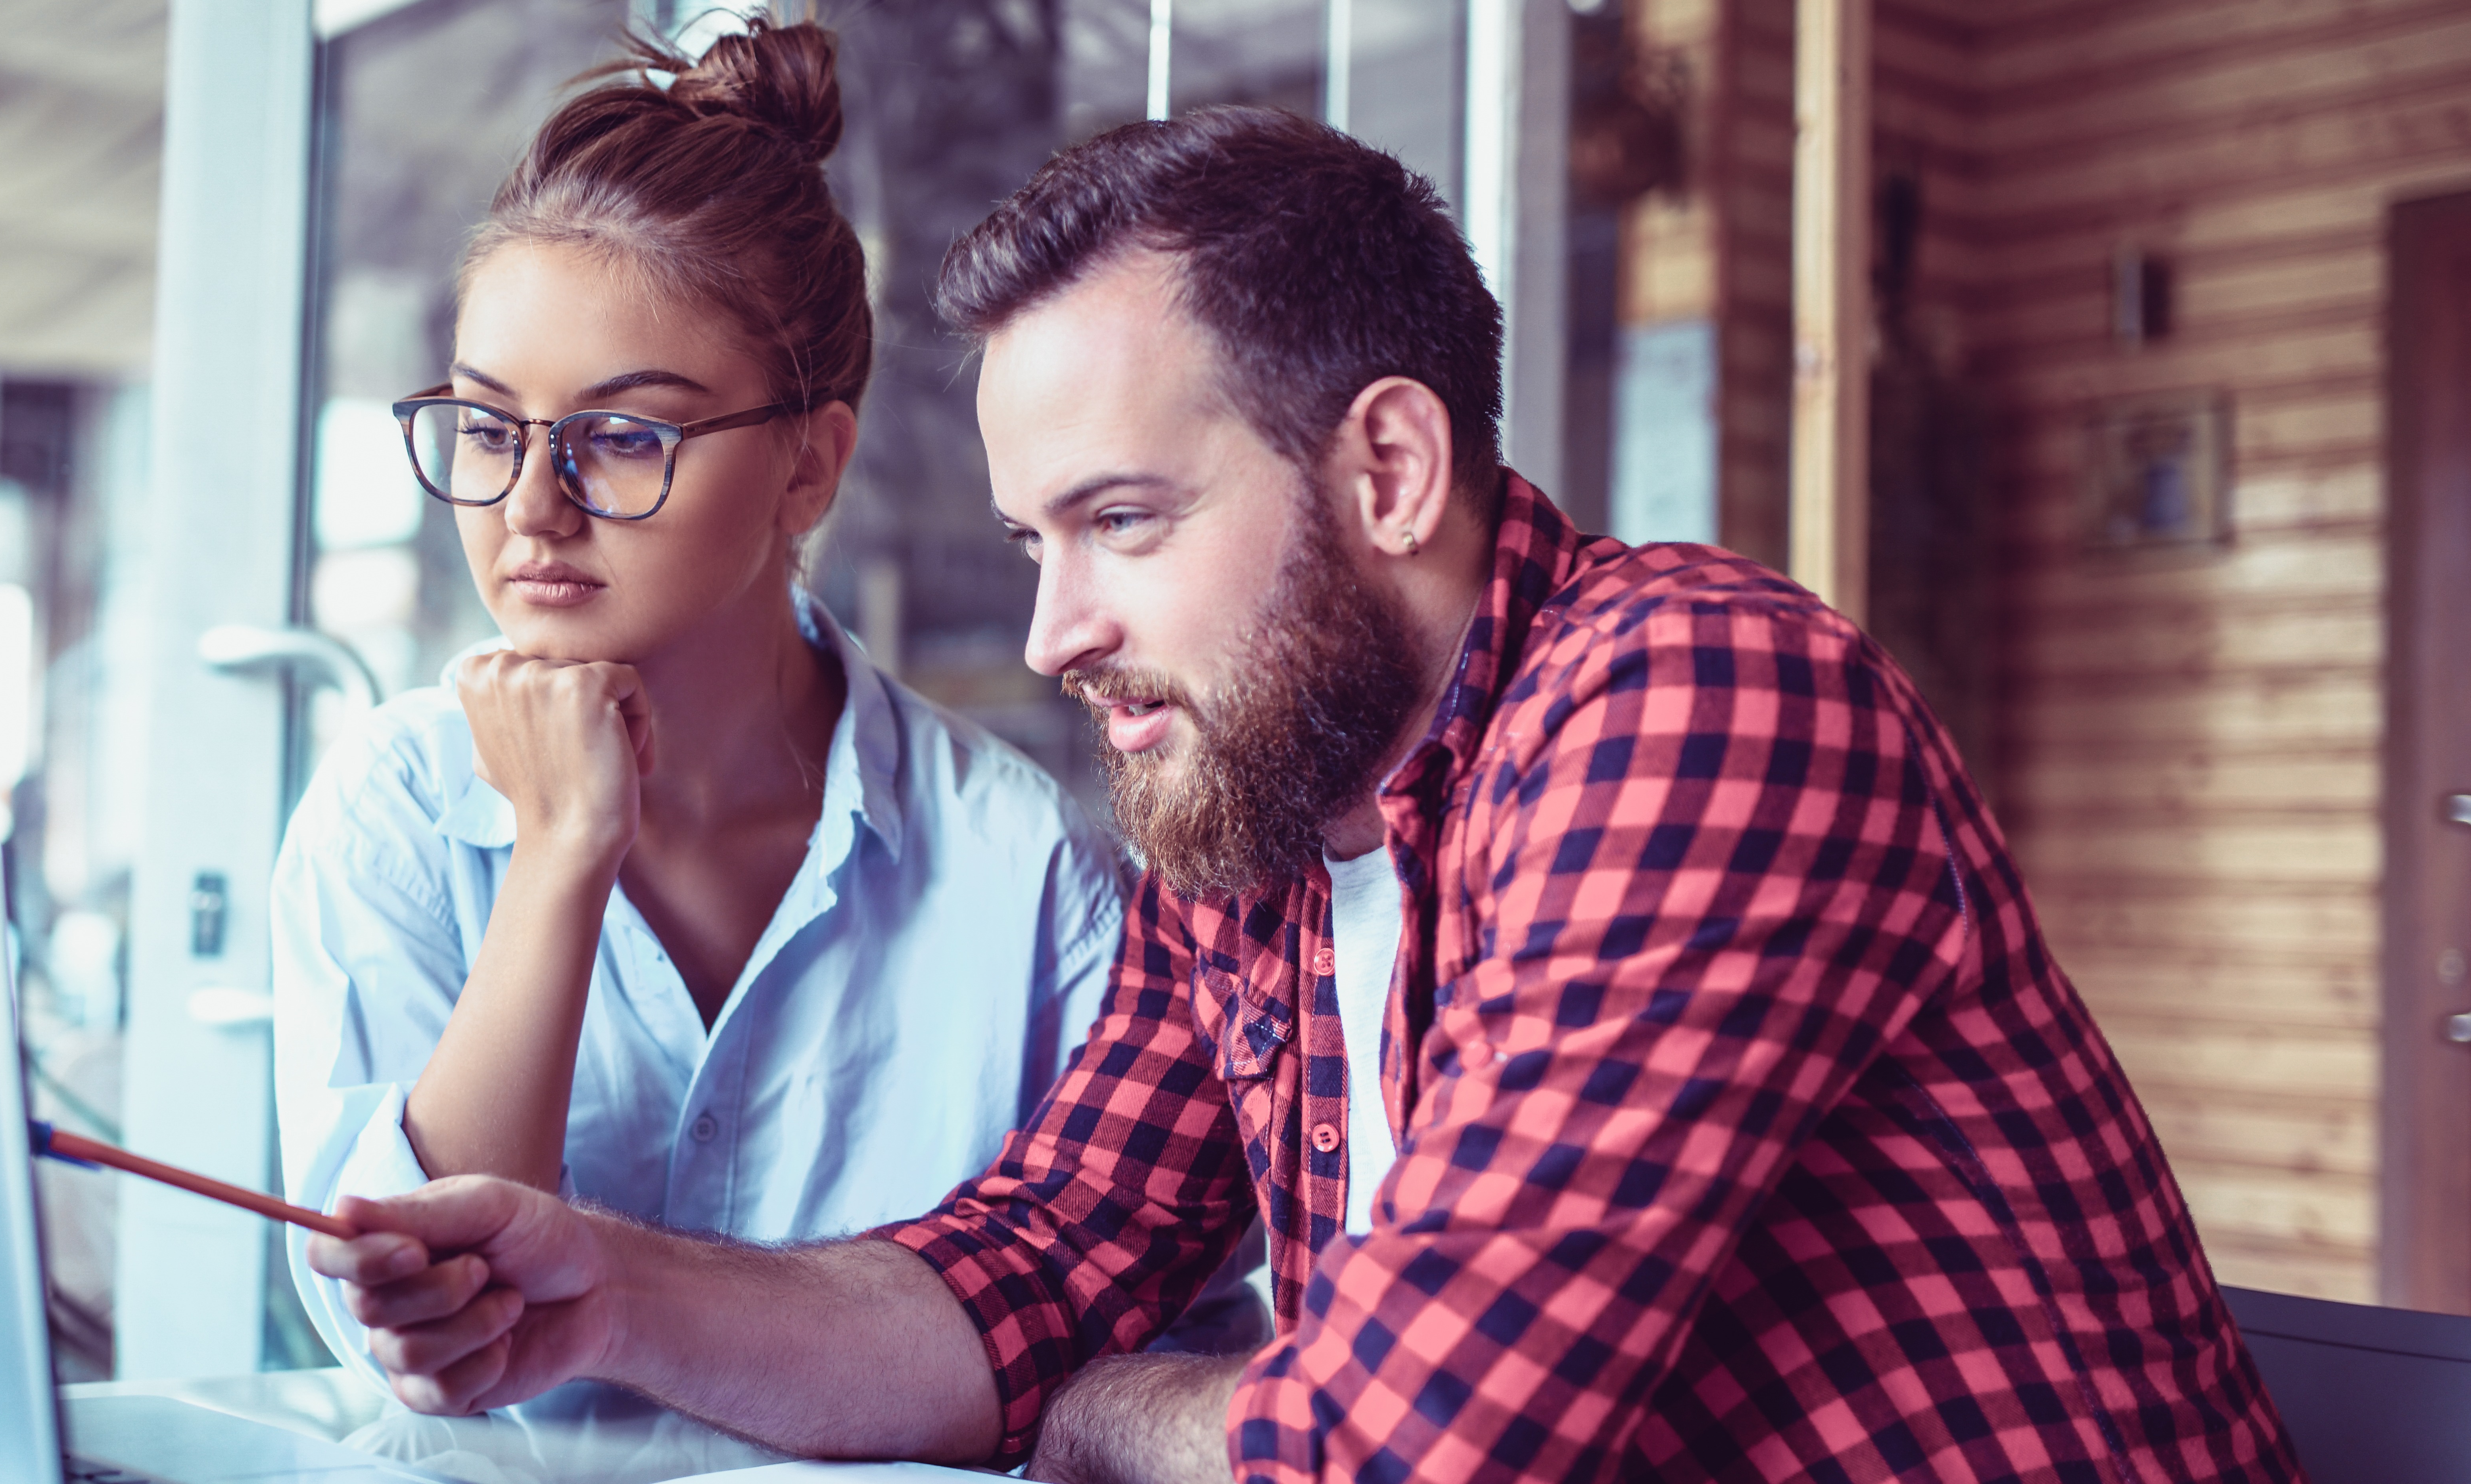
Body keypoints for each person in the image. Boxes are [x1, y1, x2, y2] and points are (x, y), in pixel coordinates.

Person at [302, 107, 2306, 1484]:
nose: (1062, 629)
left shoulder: (1692, 701)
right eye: (1030, 542)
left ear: (1392, 471)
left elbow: (1392, 1455)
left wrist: (1094, 1411)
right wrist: (599, 1295)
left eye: (1122, 522)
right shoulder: (1255, 831)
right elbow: (1012, 1280)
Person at [270, 20, 1264, 1438]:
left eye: (623, 438)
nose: (530, 511)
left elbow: (1138, 1359)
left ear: (811, 464)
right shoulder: (394, 809)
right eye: (489, 431)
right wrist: (561, 854)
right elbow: (419, 1341)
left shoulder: (1025, 868)